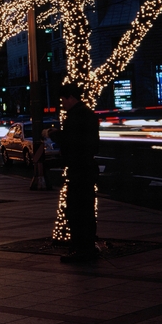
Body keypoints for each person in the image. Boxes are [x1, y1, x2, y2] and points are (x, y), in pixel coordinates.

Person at [48, 83, 100, 263]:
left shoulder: (75, 116)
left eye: (63, 99)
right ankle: (88, 248)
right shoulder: (89, 114)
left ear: (70, 97)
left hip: (79, 169)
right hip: (88, 168)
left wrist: (53, 134)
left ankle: (80, 250)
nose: (62, 103)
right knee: (86, 211)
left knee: (77, 211)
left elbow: (70, 140)